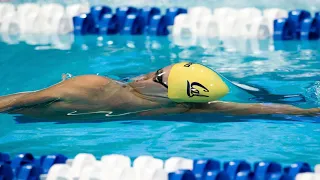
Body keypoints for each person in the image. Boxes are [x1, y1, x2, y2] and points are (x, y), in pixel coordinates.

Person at [0, 62, 319, 121]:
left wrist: (310, 113)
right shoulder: (91, 85)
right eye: (156, 71)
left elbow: (258, 110)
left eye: (158, 77)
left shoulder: (181, 108)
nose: (144, 75)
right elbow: (13, 102)